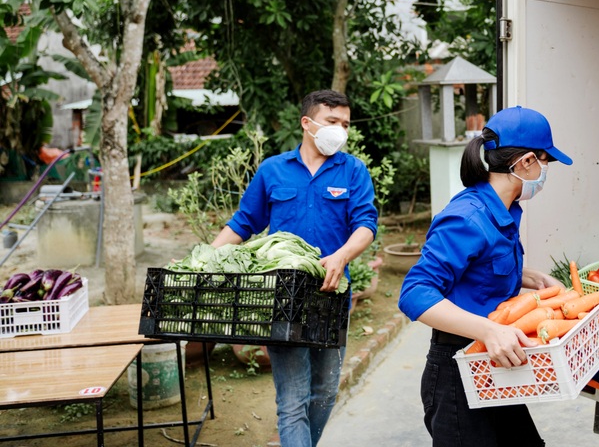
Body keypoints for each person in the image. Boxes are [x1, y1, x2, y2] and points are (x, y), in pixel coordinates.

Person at [211, 89, 378, 446]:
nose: (340, 130)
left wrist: (342, 256)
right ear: (308, 123)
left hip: (331, 298)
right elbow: (244, 222)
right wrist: (205, 258)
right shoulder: (274, 170)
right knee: (291, 402)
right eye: (332, 122)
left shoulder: (352, 171)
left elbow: (366, 225)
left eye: (345, 124)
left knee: (324, 392)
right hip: (281, 298)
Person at [398, 105, 572, 447]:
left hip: (493, 363)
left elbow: (481, 267)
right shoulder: (467, 217)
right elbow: (415, 292)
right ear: (525, 162)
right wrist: (489, 329)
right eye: (545, 162)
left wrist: (530, 279)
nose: (545, 171)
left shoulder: (504, 211)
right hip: (457, 374)